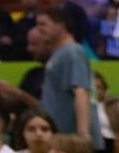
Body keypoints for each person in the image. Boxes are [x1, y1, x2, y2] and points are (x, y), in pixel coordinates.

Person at [32, 8, 94, 142]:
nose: (39, 29)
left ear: (61, 25)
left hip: (69, 140)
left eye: (43, 24)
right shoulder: (59, 54)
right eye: (37, 25)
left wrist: (82, 134)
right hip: (58, 137)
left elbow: (81, 92)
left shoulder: (73, 52)